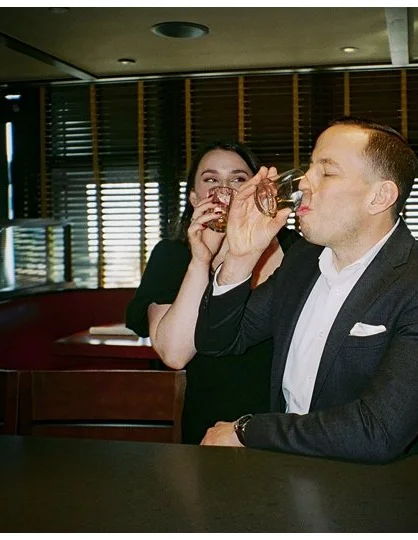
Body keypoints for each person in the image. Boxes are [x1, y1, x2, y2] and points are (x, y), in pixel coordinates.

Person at [195, 117, 418, 463]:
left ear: (380, 196)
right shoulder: (302, 261)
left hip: (369, 494)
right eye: (310, 168)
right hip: (282, 473)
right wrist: (240, 256)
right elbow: (216, 342)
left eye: (326, 172)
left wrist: (248, 431)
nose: (304, 183)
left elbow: (378, 431)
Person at [125, 141, 300, 444]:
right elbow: (175, 353)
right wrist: (201, 260)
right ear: (194, 197)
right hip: (210, 430)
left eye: (238, 179)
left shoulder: (298, 251)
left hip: (288, 427)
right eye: (211, 180)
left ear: (259, 189)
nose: (225, 191)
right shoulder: (172, 256)